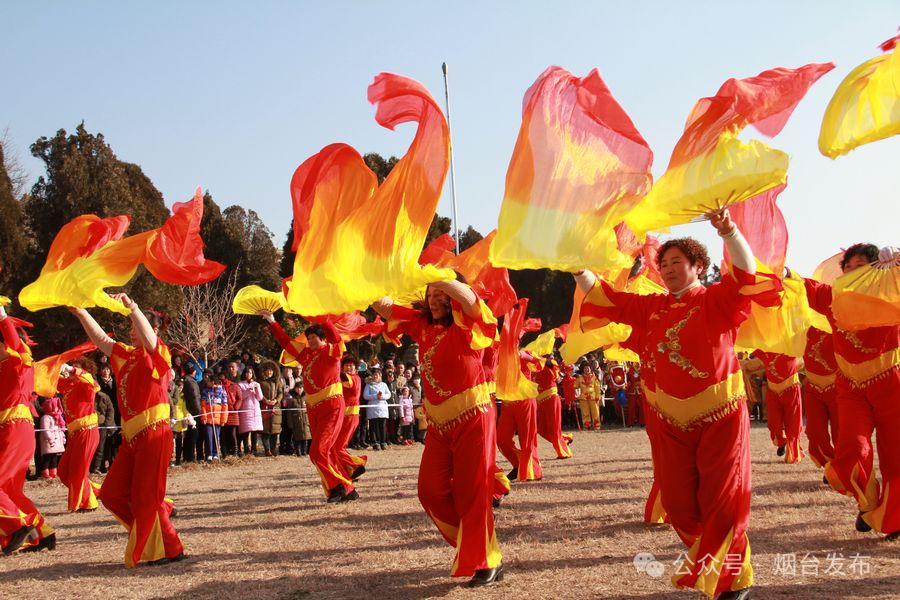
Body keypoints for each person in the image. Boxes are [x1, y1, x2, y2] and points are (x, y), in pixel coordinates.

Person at [575, 209, 759, 600]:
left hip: (720, 415)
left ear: (698, 266)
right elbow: (604, 296)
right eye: (665, 263)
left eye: (678, 262)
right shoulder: (652, 308)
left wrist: (729, 230)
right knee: (677, 505)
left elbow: (746, 275)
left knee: (722, 500)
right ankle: (719, 561)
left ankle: (730, 577)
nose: (669, 268)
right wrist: (577, 268)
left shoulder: (716, 301)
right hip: (669, 421)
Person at [373, 279, 504, 586]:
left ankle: (485, 560)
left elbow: (471, 299)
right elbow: (385, 307)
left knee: (472, 492)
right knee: (429, 490)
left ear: (452, 296)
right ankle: (480, 546)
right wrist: (361, 281)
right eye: (429, 295)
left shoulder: (469, 323)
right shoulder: (422, 325)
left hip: (474, 417)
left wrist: (442, 276)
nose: (433, 300)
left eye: (440, 295)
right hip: (438, 425)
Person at [69, 293, 185, 567]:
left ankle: (167, 547)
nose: (131, 332)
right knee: (110, 493)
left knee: (147, 496)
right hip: (132, 437)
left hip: (155, 433)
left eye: (135, 326)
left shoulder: (159, 354)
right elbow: (103, 341)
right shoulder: (126, 355)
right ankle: (154, 529)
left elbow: (150, 340)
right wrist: (81, 311)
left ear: (151, 329)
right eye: (130, 327)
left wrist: (132, 307)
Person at [805, 243, 900, 539]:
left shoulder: (891, 294)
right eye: (848, 269)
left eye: (860, 269)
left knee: (895, 456)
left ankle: (894, 518)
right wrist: (780, 270)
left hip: (890, 382)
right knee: (852, 450)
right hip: (849, 387)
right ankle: (868, 503)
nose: (851, 274)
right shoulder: (831, 298)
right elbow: (798, 287)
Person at [258, 313, 357, 503]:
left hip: (332, 407)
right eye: (309, 338)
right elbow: (286, 343)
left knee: (318, 452)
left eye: (314, 338)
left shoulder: (332, 352)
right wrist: (271, 320)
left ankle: (340, 486)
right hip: (313, 409)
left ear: (322, 338)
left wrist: (324, 318)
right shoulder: (306, 355)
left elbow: (336, 337)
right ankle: (344, 489)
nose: (310, 341)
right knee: (320, 454)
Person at [57, 357, 102, 511]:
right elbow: (50, 381)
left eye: (74, 368)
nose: (71, 370)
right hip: (74, 434)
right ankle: (96, 491)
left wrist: (72, 370)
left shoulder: (87, 385)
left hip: (87, 431)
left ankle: (87, 504)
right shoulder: (68, 385)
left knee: (78, 471)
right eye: (70, 367)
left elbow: (88, 379)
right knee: (63, 471)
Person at [496, 350, 543, 482]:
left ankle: (533, 471)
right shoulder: (499, 355)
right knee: (501, 439)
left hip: (525, 401)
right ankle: (518, 465)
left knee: (527, 439)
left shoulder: (524, 353)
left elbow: (540, 363)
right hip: (507, 403)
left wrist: (523, 355)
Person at [752, 350, 804, 463]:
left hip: (791, 389)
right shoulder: (764, 348)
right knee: (773, 424)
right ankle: (781, 442)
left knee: (793, 424)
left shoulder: (791, 346)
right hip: (773, 391)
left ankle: (793, 451)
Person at [802, 327, 839, 474]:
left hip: (837, 387)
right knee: (815, 434)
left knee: (841, 433)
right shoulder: (802, 323)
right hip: (813, 388)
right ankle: (830, 465)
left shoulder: (836, 318)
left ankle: (839, 468)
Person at [534, 358, 573, 459]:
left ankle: (563, 452)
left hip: (551, 399)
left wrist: (541, 359)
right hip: (541, 403)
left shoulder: (550, 363)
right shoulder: (534, 368)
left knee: (554, 429)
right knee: (542, 430)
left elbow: (555, 373)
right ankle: (565, 438)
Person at [337, 355, 367, 477]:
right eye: (346, 365)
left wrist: (334, 367)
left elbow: (344, 378)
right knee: (338, 446)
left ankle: (356, 465)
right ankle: (347, 469)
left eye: (351, 365)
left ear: (355, 368)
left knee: (338, 447)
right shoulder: (346, 378)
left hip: (350, 415)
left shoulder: (354, 378)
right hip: (343, 415)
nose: (349, 367)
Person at [199, 370, 229, 462]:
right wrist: (204, 417)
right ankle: (209, 454)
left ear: (212, 382)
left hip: (218, 419)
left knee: (216, 436)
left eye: (208, 381)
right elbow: (203, 405)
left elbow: (225, 406)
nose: (207, 382)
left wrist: (223, 420)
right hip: (208, 419)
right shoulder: (205, 391)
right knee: (208, 436)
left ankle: (215, 453)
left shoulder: (222, 392)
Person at [236, 366, 264, 456]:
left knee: (255, 431)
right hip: (245, 409)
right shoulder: (240, 384)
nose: (249, 374)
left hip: (255, 409)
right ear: (244, 373)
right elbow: (241, 397)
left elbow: (260, 398)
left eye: (251, 373)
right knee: (245, 431)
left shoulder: (256, 384)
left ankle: (254, 450)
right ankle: (246, 450)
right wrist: (248, 391)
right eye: (247, 372)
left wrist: (257, 388)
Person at [259, 361, 283, 457]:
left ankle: (273, 449)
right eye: (268, 371)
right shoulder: (260, 382)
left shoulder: (277, 382)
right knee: (265, 431)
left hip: (276, 408)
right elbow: (259, 394)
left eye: (271, 371)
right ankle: (267, 450)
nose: (269, 372)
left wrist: (277, 400)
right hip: (264, 407)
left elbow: (280, 393)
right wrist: (266, 401)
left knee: (275, 431)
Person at [38, 398, 66, 479]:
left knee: (54, 457)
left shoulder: (58, 417)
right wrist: (50, 439)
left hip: (56, 442)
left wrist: (63, 437)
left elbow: (60, 429)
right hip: (49, 442)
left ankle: (53, 472)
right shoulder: (46, 417)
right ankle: (45, 472)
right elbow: (45, 429)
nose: (57, 408)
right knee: (47, 457)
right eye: (55, 406)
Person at [363, 367, 390, 451]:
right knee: (373, 426)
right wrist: (375, 396)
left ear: (380, 375)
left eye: (377, 375)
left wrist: (382, 397)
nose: (375, 376)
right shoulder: (369, 385)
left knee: (382, 426)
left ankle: (383, 442)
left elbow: (388, 394)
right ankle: (375, 443)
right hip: (372, 408)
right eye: (374, 375)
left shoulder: (384, 384)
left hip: (382, 408)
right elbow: (365, 396)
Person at [90, 389, 115, 473]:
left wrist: (107, 424)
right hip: (90, 425)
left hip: (102, 425)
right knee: (91, 447)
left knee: (101, 447)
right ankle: (89, 467)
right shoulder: (85, 397)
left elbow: (110, 410)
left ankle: (97, 467)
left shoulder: (104, 397)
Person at [575, 365, 602, 430]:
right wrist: (570, 380)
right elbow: (575, 386)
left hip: (593, 397)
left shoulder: (594, 378)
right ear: (583, 369)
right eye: (585, 368)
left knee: (595, 412)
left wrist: (598, 396)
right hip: (583, 397)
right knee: (585, 413)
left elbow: (597, 387)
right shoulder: (580, 378)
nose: (586, 369)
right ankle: (587, 426)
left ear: (590, 369)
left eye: (588, 368)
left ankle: (596, 426)